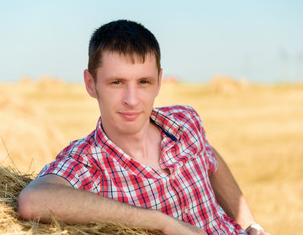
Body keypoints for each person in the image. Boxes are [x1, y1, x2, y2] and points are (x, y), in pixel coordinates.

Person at [18, 20, 270, 235]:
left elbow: (209, 157)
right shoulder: (87, 162)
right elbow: (33, 201)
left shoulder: (183, 121)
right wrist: (162, 223)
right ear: (91, 84)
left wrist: (249, 224)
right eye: (116, 82)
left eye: (143, 82)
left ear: (159, 81)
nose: (132, 99)